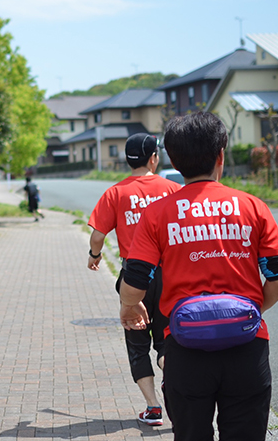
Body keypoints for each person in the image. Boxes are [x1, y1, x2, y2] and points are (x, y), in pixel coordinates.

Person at [119, 112, 278, 441]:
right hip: (247, 348)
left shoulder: (157, 214)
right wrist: (248, 312)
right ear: (221, 155)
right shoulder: (253, 207)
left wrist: (129, 306)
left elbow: (136, 277)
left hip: (185, 349)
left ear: (174, 159)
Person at [87, 133, 181, 427]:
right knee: (168, 343)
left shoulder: (115, 193)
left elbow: (99, 235)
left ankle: (153, 408)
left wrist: (95, 255)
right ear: (154, 157)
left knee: (137, 341)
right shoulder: (173, 190)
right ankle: (175, 390)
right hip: (169, 275)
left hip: (133, 277)